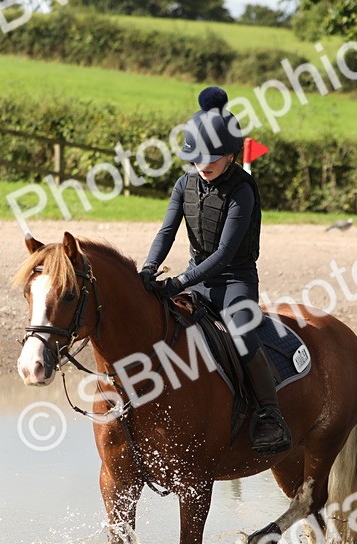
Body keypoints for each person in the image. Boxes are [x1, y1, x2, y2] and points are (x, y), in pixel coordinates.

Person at [140, 86, 291, 456]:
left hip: (235, 281)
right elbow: (166, 232)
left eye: (212, 159)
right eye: (196, 158)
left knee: (241, 333)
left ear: (231, 155)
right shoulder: (184, 184)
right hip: (197, 278)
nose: (203, 165)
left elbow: (224, 255)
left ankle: (270, 414)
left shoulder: (242, 191)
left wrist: (177, 281)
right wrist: (148, 269)